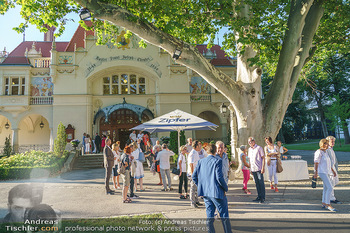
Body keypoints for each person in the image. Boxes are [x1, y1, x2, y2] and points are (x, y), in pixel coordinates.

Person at [192, 144, 232, 233]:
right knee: (224, 216)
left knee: (209, 217)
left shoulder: (200, 162)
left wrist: (201, 185)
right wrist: (225, 188)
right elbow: (219, 178)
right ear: (215, 151)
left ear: (207, 151)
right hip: (217, 192)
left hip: (206, 192)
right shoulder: (218, 161)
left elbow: (194, 176)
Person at [314, 139, 337, 212]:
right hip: (321, 172)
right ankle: (328, 204)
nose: (326, 145)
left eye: (327, 143)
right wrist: (315, 172)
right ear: (321, 144)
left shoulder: (326, 152)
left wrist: (333, 171)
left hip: (327, 172)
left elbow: (329, 163)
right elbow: (316, 163)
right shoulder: (319, 152)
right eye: (325, 143)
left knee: (326, 188)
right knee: (330, 187)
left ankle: (324, 203)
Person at [248, 137, 266, 203]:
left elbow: (263, 158)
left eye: (251, 141)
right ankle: (259, 196)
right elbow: (249, 159)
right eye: (249, 142)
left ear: (254, 141)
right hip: (253, 168)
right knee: (257, 183)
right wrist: (250, 169)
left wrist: (263, 167)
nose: (250, 143)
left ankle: (262, 197)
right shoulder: (249, 149)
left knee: (261, 183)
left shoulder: (259, 148)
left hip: (259, 168)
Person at [326, 136, 342, 204]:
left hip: (333, 168)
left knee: (333, 183)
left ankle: (330, 197)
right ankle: (331, 198)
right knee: (330, 183)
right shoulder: (327, 150)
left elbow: (334, 160)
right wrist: (332, 170)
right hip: (329, 169)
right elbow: (328, 162)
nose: (333, 143)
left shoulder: (331, 149)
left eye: (333, 141)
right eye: (331, 141)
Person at [188, 140, 201, 207]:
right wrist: (193, 175)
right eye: (199, 145)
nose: (200, 146)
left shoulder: (196, 152)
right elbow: (191, 164)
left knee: (196, 188)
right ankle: (192, 202)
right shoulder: (193, 153)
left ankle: (196, 201)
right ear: (196, 146)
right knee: (193, 188)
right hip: (193, 174)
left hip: (197, 173)